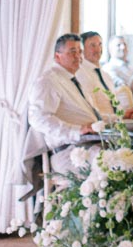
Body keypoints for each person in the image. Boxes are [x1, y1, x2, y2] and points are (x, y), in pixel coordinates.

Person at [29, 34, 103, 174]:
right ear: (57, 56)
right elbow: (38, 119)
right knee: (113, 164)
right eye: (72, 52)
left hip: (90, 144)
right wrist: (76, 130)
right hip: (68, 152)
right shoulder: (48, 81)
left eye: (80, 52)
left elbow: (90, 115)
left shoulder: (73, 80)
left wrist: (119, 118)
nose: (78, 57)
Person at [77, 31, 133, 117]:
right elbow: (91, 112)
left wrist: (124, 114)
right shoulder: (80, 75)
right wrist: (116, 118)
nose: (98, 49)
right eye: (93, 45)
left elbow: (113, 104)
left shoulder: (105, 75)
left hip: (115, 124)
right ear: (81, 49)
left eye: (100, 44)